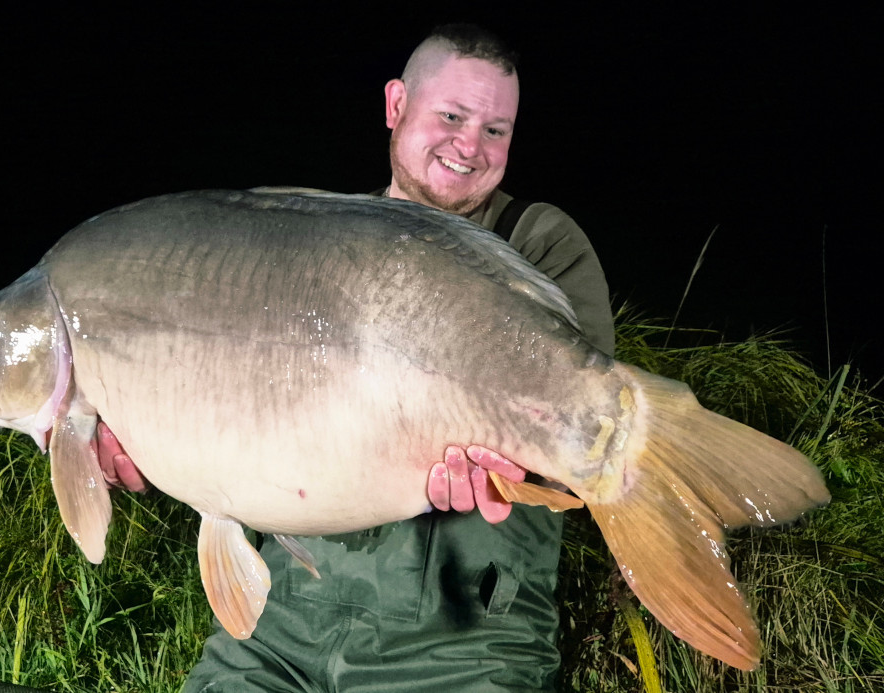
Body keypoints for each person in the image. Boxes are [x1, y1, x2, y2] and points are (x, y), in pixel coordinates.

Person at [179, 23, 615, 691]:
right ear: (395, 105)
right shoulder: (309, 243)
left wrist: (517, 465)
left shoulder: (539, 244)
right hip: (284, 624)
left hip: (467, 640)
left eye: (496, 129)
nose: (470, 145)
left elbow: (582, 447)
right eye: (451, 116)